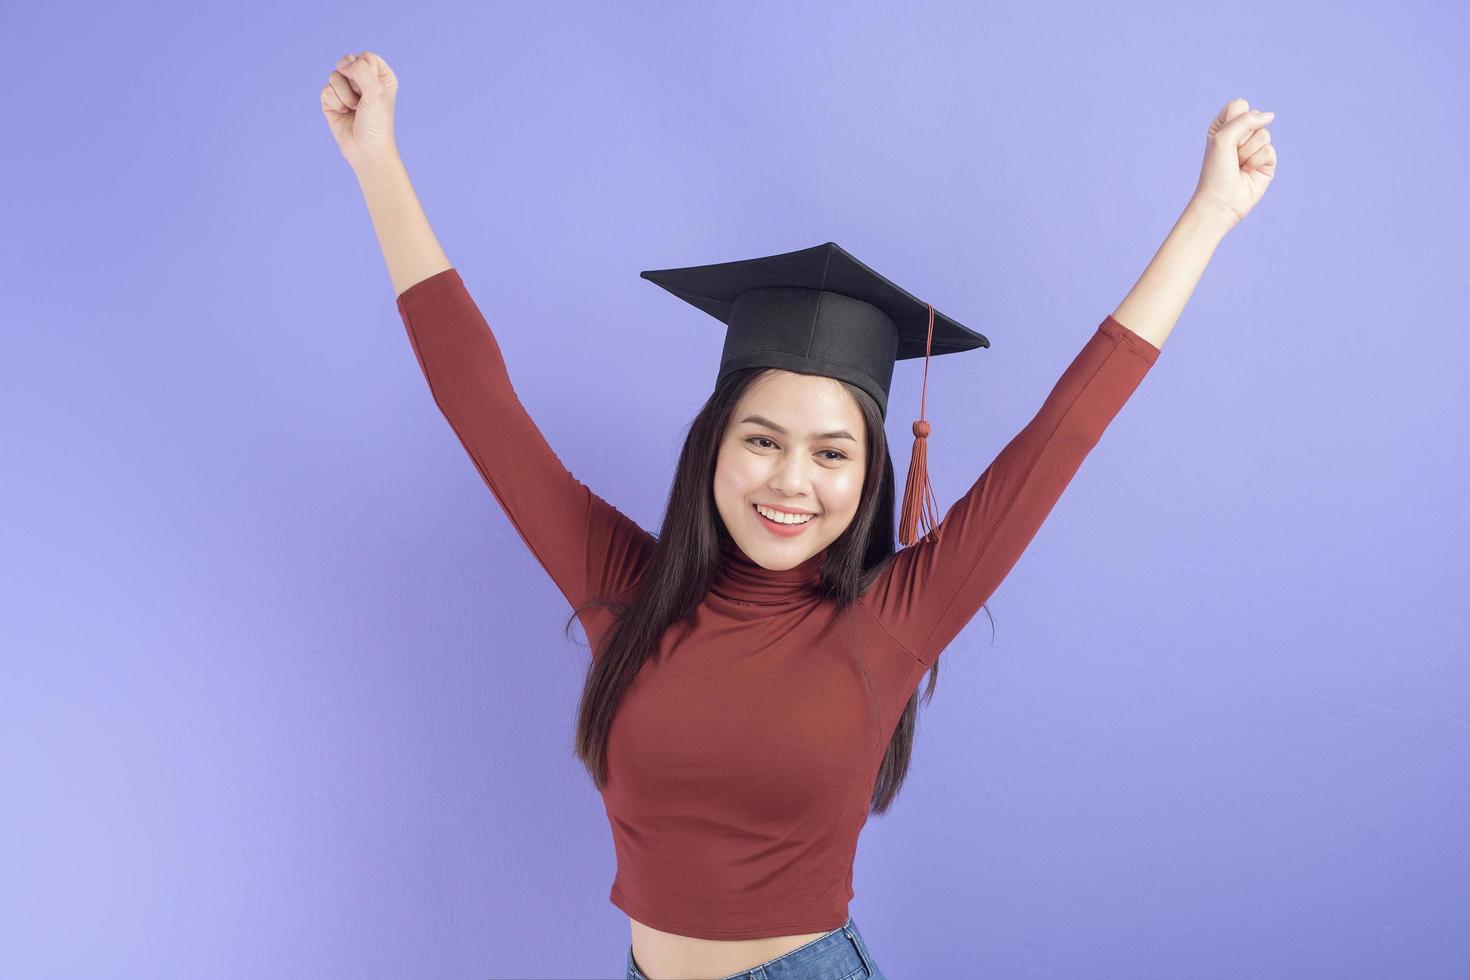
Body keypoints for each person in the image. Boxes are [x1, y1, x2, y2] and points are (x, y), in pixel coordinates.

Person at [322, 50, 1276, 980]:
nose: (791, 482)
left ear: (867, 477)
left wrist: (1209, 216)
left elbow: (1065, 431)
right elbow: (478, 403)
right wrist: (378, 164)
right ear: (714, 446)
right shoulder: (625, 591)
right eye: (762, 441)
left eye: (832, 454)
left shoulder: (892, 622)